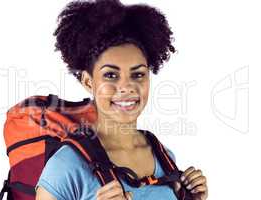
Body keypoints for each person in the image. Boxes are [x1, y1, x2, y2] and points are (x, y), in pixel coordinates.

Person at [36, 0, 208, 199]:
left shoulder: (164, 157)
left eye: (138, 74)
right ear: (88, 81)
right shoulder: (66, 166)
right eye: (111, 75)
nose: (127, 87)